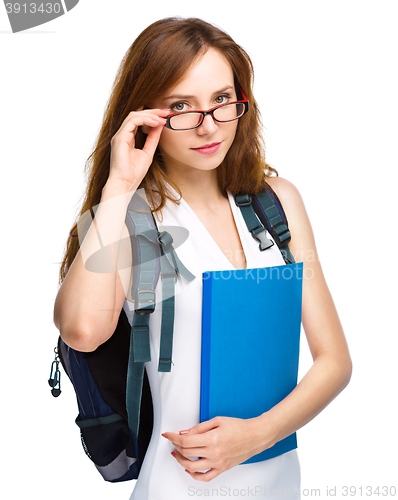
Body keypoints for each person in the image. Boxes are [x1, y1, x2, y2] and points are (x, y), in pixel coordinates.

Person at [53, 17, 352, 499]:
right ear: (144, 114)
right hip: (175, 486)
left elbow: (334, 361)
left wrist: (258, 435)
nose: (208, 125)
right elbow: (82, 331)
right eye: (180, 106)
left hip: (278, 483)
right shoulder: (129, 219)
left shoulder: (277, 202)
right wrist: (119, 186)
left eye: (221, 100)